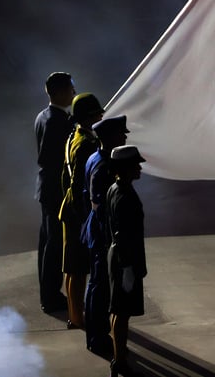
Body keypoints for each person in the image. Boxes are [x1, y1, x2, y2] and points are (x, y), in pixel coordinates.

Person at [82, 115, 129, 357]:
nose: (124, 137)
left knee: (96, 286)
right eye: (121, 135)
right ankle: (97, 338)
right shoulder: (104, 166)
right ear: (110, 137)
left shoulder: (95, 158)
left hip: (95, 230)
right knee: (99, 288)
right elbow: (100, 205)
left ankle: (95, 335)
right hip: (101, 232)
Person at [59, 92, 104, 330]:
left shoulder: (73, 138)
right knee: (77, 269)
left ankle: (75, 313)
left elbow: (65, 178)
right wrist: (87, 216)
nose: (100, 116)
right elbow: (79, 184)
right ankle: (77, 317)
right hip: (78, 211)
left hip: (69, 208)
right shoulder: (86, 144)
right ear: (88, 117)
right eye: (97, 113)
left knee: (72, 267)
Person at [34, 71, 76, 313]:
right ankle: (50, 297)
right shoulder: (56, 121)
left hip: (46, 189)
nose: (73, 92)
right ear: (59, 91)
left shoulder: (44, 116)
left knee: (47, 243)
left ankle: (47, 293)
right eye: (71, 88)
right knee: (54, 245)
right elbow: (52, 160)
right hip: (54, 190)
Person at [105, 145, 148, 377]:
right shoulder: (124, 195)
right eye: (135, 164)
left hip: (118, 257)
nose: (139, 167)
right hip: (124, 260)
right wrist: (129, 267)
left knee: (117, 311)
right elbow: (123, 234)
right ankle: (119, 359)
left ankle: (118, 354)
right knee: (121, 313)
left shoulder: (115, 189)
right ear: (125, 168)